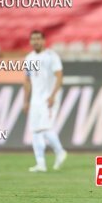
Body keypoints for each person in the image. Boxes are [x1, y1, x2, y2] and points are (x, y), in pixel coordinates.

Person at [23, 30, 67, 172]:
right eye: (33, 39)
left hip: (49, 97)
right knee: (35, 131)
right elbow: (27, 80)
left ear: (44, 41)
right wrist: (26, 100)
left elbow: (59, 76)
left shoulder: (51, 56)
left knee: (45, 128)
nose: (36, 41)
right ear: (30, 41)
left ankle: (60, 151)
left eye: (38, 39)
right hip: (35, 99)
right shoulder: (28, 58)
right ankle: (40, 163)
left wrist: (53, 95)